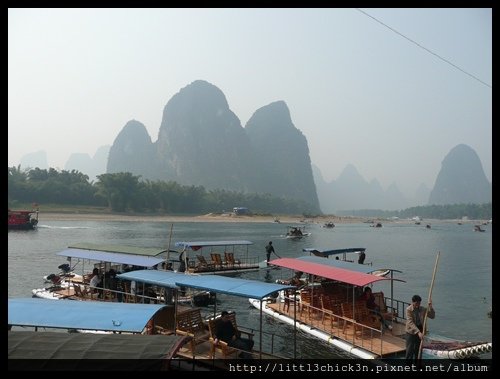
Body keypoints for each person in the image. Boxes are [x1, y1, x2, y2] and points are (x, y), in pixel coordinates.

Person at [405, 294, 435, 363]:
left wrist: (431, 307)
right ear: (412, 302)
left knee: (418, 349)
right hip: (411, 331)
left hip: (421, 330)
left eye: (419, 303)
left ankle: (418, 364)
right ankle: (408, 366)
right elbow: (410, 322)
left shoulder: (422, 309)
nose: (418, 304)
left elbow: (432, 316)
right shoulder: (408, 309)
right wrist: (418, 332)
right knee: (410, 350)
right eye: (416, 303)